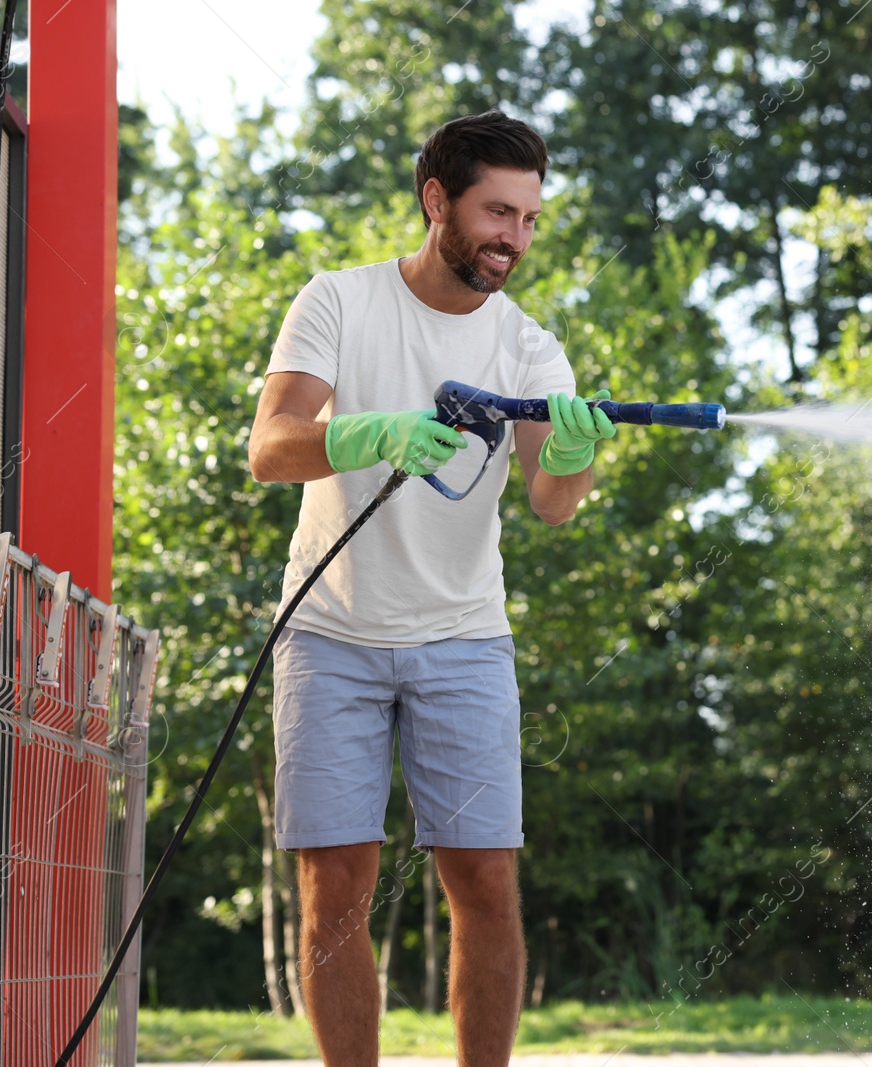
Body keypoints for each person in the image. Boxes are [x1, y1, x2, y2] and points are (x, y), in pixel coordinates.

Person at [247, 110, 609, 1067]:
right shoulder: (338, 301)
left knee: (486, 881)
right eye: (499, 212)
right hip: (330, 633)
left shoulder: (530, 347)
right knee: (336, 891)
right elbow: (269, 446)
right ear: (437, 199)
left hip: (464, 638)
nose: (515, 239)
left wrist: (571, 455)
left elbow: (551, 500)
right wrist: (365, 434)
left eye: (531, 220)